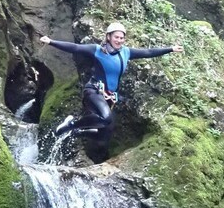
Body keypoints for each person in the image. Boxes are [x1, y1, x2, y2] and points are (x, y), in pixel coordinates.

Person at [40, 22, 183, 141]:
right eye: (116, 37)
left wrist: (170, 49)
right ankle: (71, 124)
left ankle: (76, 132)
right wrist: (51, 42)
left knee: (103, 136)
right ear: (108, 37)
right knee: (106, 118)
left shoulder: (126, 52)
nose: (119, 40)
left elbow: (148, 52)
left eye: (122, 38)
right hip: (94, 91)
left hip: (110, 97)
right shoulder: (97, 50)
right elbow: (75, 48)